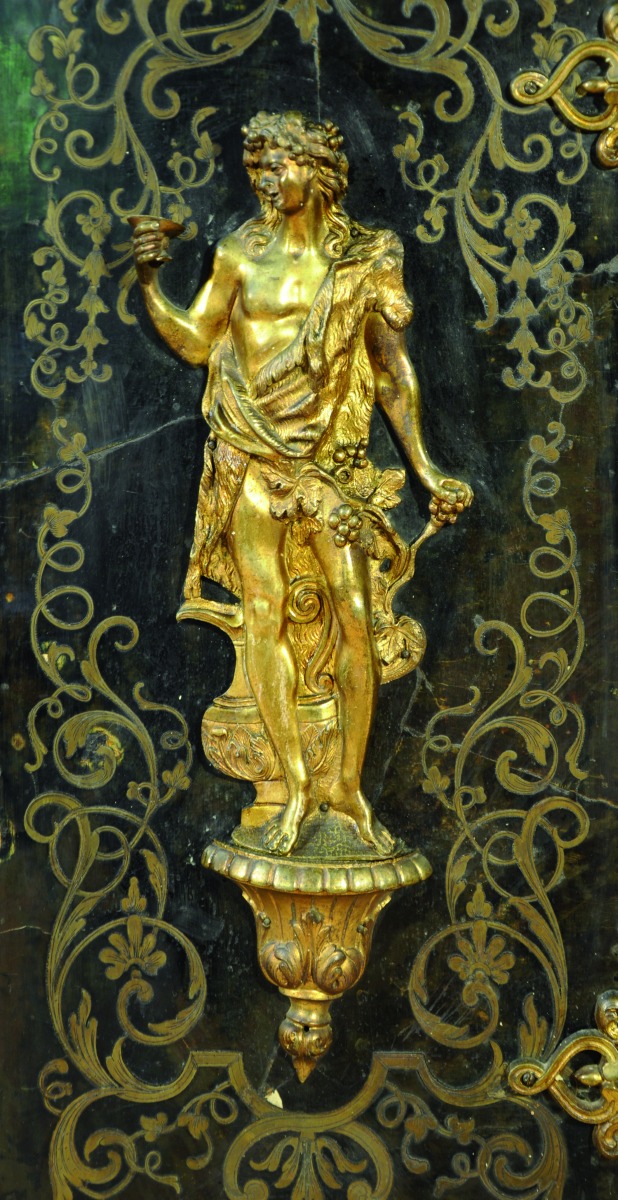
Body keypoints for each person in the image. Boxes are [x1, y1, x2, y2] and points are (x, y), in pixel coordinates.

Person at [132, 110, 472, 856]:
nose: (264, 179)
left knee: (355, 617)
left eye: (276, 165)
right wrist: (150, 282)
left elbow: (392, 372)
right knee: (265, 616)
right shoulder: (238, 254)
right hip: (253, 458)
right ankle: (293, 790)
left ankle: (346, 791)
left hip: (333, 469)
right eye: (256, 167)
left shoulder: (367, 257)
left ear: (317, 171)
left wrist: (425, 468)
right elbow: (198, 343)